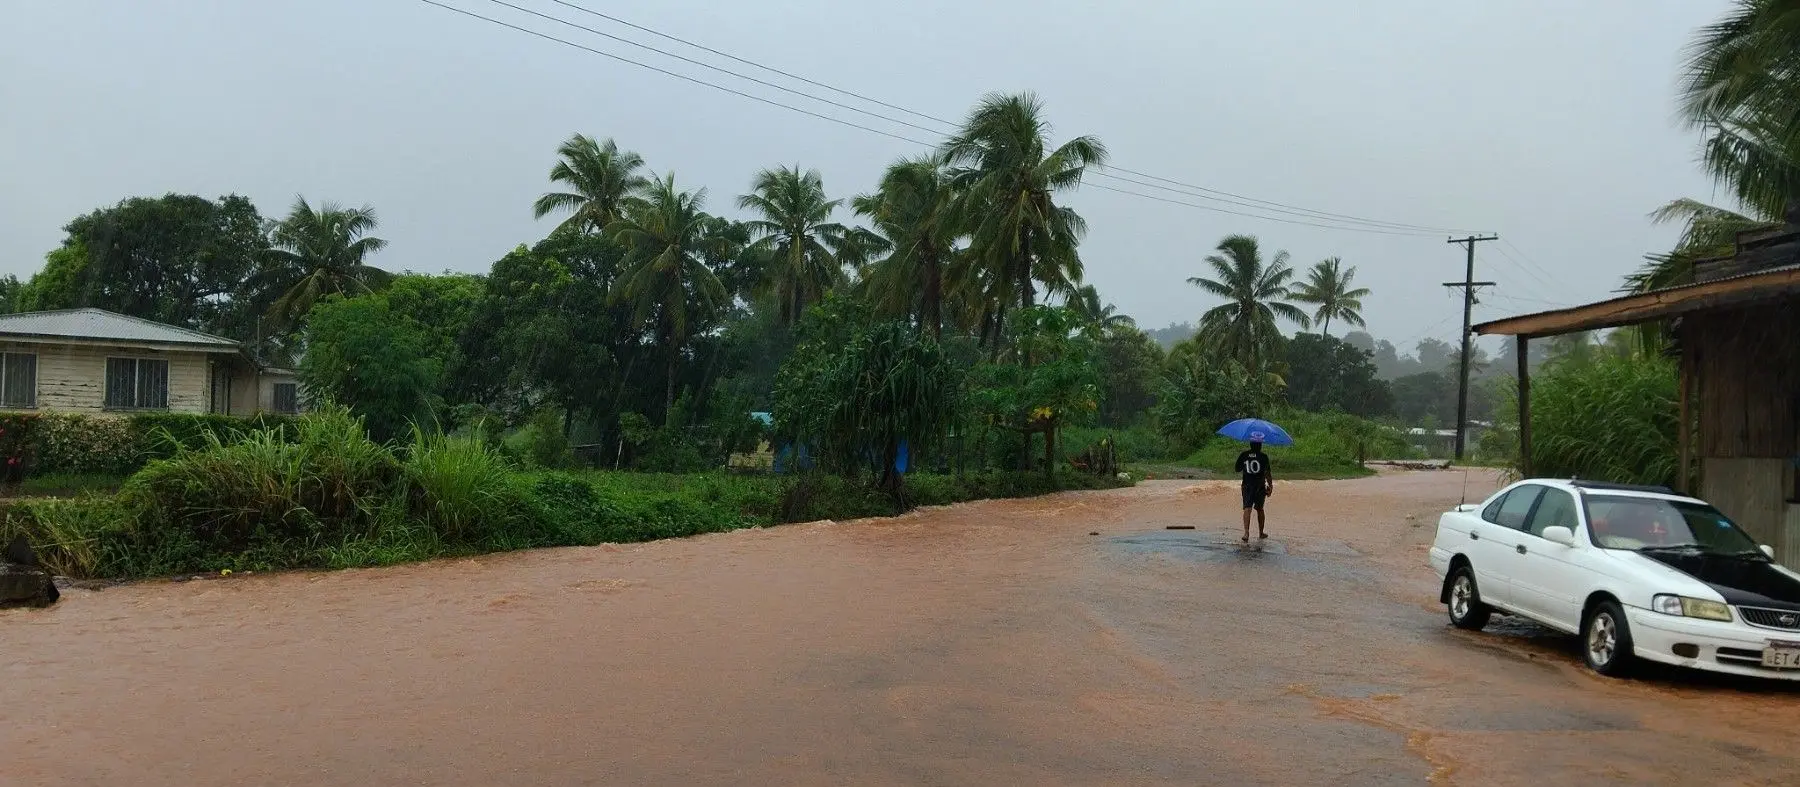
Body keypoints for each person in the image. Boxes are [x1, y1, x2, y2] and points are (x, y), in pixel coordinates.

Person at [1234, 440, 1273, 543]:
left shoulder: (1244, 455)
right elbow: (1267, 473)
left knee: (1247, 508)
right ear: (1260, 446)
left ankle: (1246, 533)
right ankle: (1261, 533)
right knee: (1260, 509)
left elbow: (1237, 469)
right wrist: (1270, 485)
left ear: (1250, 445)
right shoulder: (1264, 456)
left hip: (1247, 486)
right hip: (1260, 486)